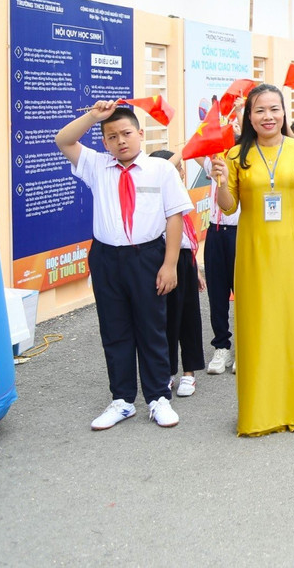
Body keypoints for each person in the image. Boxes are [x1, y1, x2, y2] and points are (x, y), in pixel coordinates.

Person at [210, 84, 294, 436]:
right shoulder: (235, 155)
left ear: (284, 112)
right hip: (253, 253)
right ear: (248, 116)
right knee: (260, 329)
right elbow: (229, 206)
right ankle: (262, 412)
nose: (268, 116)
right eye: (260, 110)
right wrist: (220, 180)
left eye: (274, 109)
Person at [55, 102, 190, 430]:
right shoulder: (97, 166)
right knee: (114, 329)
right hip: (106, 258)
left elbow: (174, 217)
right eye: (111, 136)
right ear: (104, 142)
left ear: (141, 134)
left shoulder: (161, 170)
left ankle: (159, 397)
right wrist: (92, 117)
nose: (120, 141)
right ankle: (122, 400)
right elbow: (63, 140)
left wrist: (170, 264)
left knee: (152, 328)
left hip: (147, 257)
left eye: (127, 133)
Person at [153, 150, 205, 400]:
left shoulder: (181, 194)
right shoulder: (154, 193)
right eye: (176, 170)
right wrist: (183, 149)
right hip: (161, 261)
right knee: (165, 320)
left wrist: (195, 270)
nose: (180, 174)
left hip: (184, 261)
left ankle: (189, 372)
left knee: (189, 318)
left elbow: (187, 239)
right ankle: (167, 371)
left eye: (182, 171)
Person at [204, 151, 240, 376]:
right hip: (215, 233)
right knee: (216, 293)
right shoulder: (213, 163)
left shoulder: (246, 165)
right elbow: (191, 150)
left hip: (241, 232)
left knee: (244, 293)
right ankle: (221, 347)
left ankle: (244, 348)